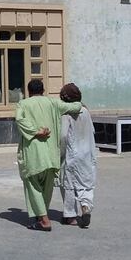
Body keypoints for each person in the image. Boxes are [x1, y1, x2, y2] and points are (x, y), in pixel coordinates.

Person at [15, 79, 82, 231]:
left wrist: (35, 131)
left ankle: (44, 220)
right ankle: (41, 215)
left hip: (33, 154)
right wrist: (80, 104)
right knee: (46, 188)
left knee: (33, 186)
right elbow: (76, 106)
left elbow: (19, 119)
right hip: (51, 155)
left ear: (29, 91)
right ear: (43, 90)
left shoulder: (23, 104)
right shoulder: (53, 103)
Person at [58, 83, 97, 229]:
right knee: (85, 182)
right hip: (87, 152)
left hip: (72, 153)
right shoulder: (86, 111)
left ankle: (71, 216)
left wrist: (60, 153)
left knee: (68, 184)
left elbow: (63, 136)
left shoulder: (66, 114)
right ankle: (85, 205)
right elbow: (91, 130)